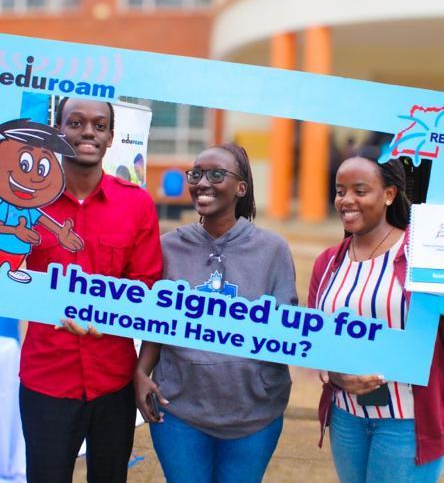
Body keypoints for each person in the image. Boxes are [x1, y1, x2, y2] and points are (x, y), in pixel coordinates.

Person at [135, 143, 298, 482]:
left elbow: (288, 332)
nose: (202, 182)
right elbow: (155, 322)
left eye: (216, 174)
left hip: (254, 414)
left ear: (241, 188)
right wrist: (141, 372)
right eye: (196, 174)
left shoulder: (273, 250)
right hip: (178, 411)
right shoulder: (168, 246)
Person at [19, 97, 162, 483]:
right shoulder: (26, 201)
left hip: (113, 381)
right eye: (76, 123)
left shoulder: (136, 204)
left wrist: (107, 313)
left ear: (111, 137)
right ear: (57, 131)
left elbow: (148, 286)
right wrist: (53, 306)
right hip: (47, 378)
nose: (88, 132)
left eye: (99, 126)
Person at [308, 146, 443, 482]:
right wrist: (335, 375)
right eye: (340, 191)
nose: (346, 200)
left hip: (407, 421)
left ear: (389, 194)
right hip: (347, 418)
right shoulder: (328, 262)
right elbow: (314, 339)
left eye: (360, 190)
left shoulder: (424, 255)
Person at [0, 119, 83, 283]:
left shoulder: (30, 209)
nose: (35, 178)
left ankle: (12, 271)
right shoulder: (5, 206)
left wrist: (60, 232)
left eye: (41, 169)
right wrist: (15, 230)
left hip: (19, 256)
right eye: (24, 164)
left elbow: (43, 219)